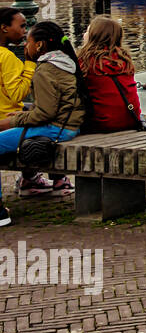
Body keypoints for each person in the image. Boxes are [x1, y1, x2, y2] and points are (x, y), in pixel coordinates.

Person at [0, 21, 87, 225]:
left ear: (39, 45)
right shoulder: (64, 62)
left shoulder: (46, 69)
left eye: (28, 41)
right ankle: (29, 181)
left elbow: (44, 114)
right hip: (69, 126)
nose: (25, 46)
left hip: (56, 129)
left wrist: (12, 120)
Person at [0, 7, 57, 198]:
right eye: (22, 26)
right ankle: (50, 179)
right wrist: (30, 63)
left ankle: (31, 177)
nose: (25, 31)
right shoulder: (6, 57)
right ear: (4, 28)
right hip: (5, 118)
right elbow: (17, 94)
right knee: (50, 123)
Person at [77, 16, 144, 133]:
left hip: (102, 124)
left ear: (95, 36)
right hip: (132, 119)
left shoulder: (86, 61)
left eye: (88, 31)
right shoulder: (124, 60)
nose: (84, 34)